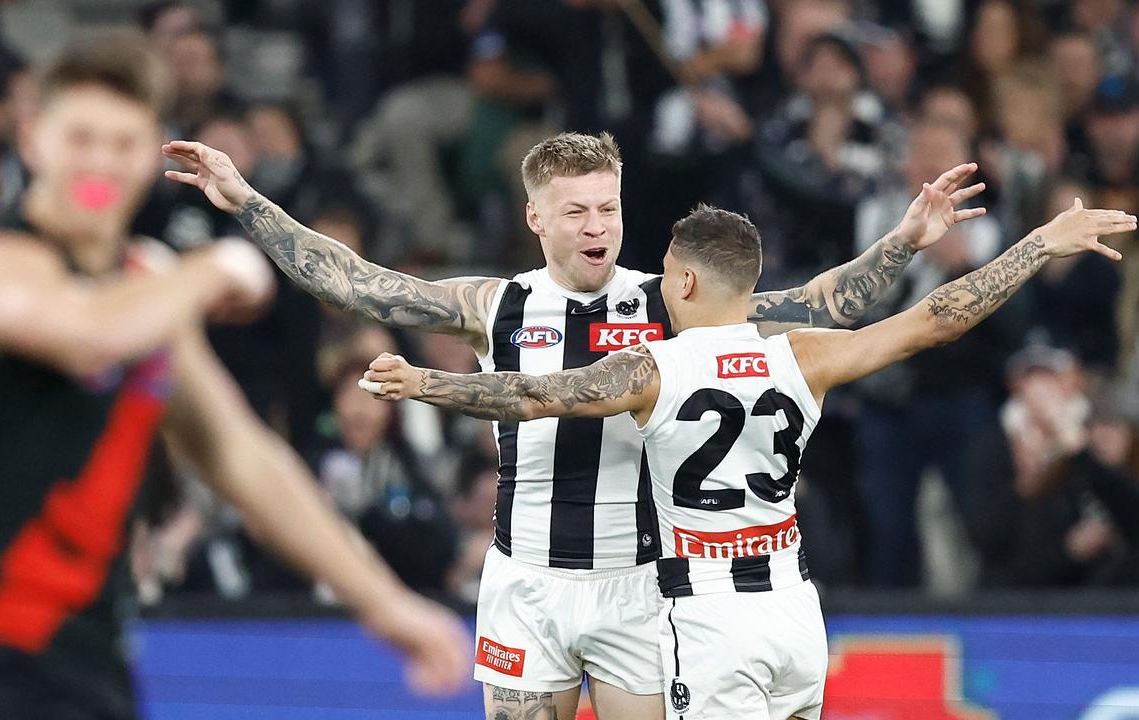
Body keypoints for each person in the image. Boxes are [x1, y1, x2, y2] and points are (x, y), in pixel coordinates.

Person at [164, 130, 983, 719]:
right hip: (526, 584)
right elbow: (355, 283)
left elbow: (820, 303)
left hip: (640, 584)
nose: (597, 226)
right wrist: (246, 201)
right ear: (536, 221)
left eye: (608, 207)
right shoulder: (497, 303)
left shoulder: (673, 301)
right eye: (577, 212)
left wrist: (907, 238)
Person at [360, 198, 1134, 719]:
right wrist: (1038, 242)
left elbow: (534, 395)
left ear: (688, 279)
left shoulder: (651, 368)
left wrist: (427, 380)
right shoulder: (806, 353)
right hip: (794, 611)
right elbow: (937, 318)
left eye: (665, 270)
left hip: (708, 614)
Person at [0, 32, 468, 720]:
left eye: (122, 143)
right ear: (33, 139)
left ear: (152, 146)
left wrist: (385, 604)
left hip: (100, 661)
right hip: (0, 662)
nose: (100, 161)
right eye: (80, 138)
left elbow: (241, 455)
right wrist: (218, 265)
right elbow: (90, 337)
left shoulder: (145, 287)